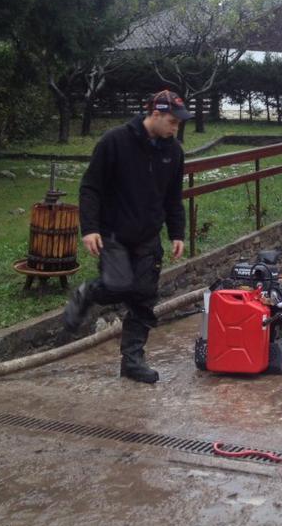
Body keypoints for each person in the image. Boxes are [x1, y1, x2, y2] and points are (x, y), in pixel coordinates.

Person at [62, 90, 191, 384]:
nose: (176, 128)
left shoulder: (173, 152)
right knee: (118, 285)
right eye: (172, 122)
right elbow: (90, 188)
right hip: (114, 233)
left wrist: (177, 233)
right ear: (155, 114)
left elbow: (173, 197)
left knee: (144, 297)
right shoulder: (115, 141)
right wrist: (90, 228)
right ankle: (87, 293)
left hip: (148, 237)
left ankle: (132, 361)